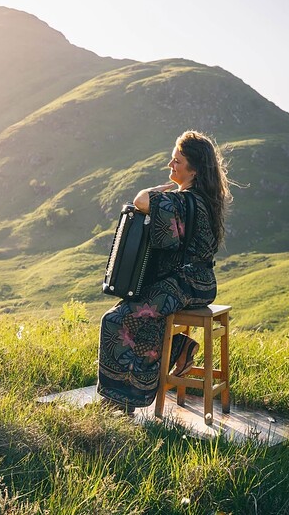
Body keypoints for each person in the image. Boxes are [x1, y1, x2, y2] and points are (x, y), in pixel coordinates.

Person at [97, 130, 233, 413]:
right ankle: (180, 349)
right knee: (135, 312)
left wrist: (160, 190)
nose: (171, 166)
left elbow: (141, 201)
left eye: (177, 161)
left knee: (116, 319)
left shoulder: (183, 201)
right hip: (197, 284)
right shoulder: (201, 199)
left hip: (185, 285)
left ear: (194, 168)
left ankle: (123, 400)